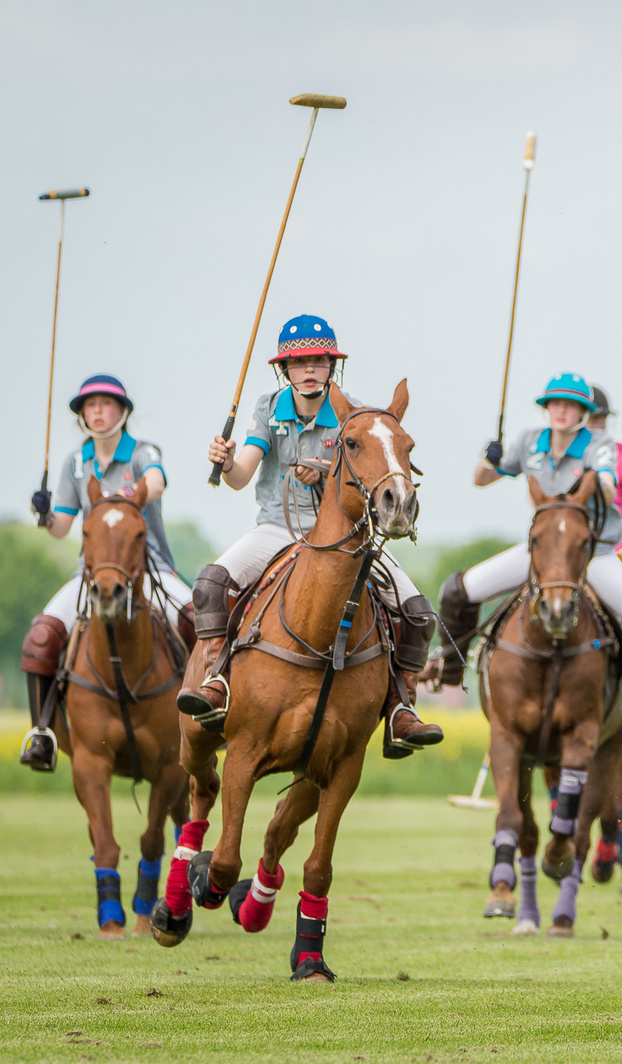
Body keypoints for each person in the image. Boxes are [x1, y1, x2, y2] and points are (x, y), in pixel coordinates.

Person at [177, 315, 442, 754]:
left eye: (318, 360)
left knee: (417, 612)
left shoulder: (352, 415)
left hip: (339, 538)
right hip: (276, 529)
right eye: (299, 362)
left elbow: (367, 471)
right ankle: (217, 680)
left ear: (330, 366)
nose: (309, 369)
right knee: (209, 583)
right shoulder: (268, 407)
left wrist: (321, 472)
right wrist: (224, 463)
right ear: (286, 369)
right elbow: (242, 474)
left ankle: (400, 705)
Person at [426, 372, 622, 717]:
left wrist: (598, 480)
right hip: (541, 554)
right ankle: (449, 669)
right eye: (555, 404)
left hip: (594, 554)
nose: (561, 411)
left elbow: (606, 484)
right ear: (546, 408)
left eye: (571, 406)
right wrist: (489, 458)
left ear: (583, 413)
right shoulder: (530, 441)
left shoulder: (598, 445)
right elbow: (481, 481)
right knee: (456, 591)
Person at [19, 374, 195, 771]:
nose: (97, 411)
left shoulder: (141, 452)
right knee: (40, 636)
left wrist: (134, 493)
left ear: (122, 411)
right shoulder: (75, 462)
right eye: (90, 405)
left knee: (196, 620)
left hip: (150, 568)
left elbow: (157, 482)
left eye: (106, 403)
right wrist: (44, 513)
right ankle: (42, 732)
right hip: (93, 574)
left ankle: (206, 718)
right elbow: (62, 528)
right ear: (82, 414)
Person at [588, 385, 622, 555]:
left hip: (620, 550)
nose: (600, 425)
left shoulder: (621, 453)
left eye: (602, 418)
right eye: (593, 418)